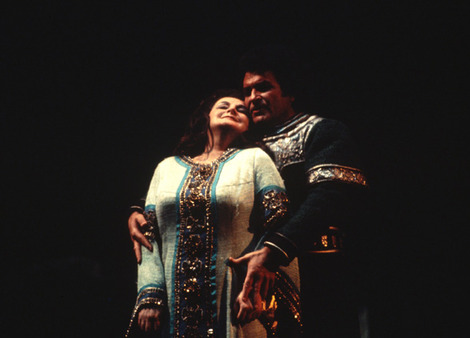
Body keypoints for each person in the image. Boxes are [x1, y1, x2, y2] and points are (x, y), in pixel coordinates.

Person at [129, 45, 369, 337]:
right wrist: (140, 211)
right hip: (244, 282)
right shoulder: (240, 144)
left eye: (264, 88)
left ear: (289, 91)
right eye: (248, 91)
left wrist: (275, 251)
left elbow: (332, 195)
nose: (252, 98)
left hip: (316, 272)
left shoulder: (321, 131)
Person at [125, 89, 301, 338]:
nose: (233, 110)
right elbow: (148, 236)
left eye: (241, 109)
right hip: (171, 310)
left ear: (248, 125)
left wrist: (255, 289)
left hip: (235, 301)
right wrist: (150, 294)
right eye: (224, 106)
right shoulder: (166, 168)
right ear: (205, 117)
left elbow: (279, 220)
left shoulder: (255, 160)